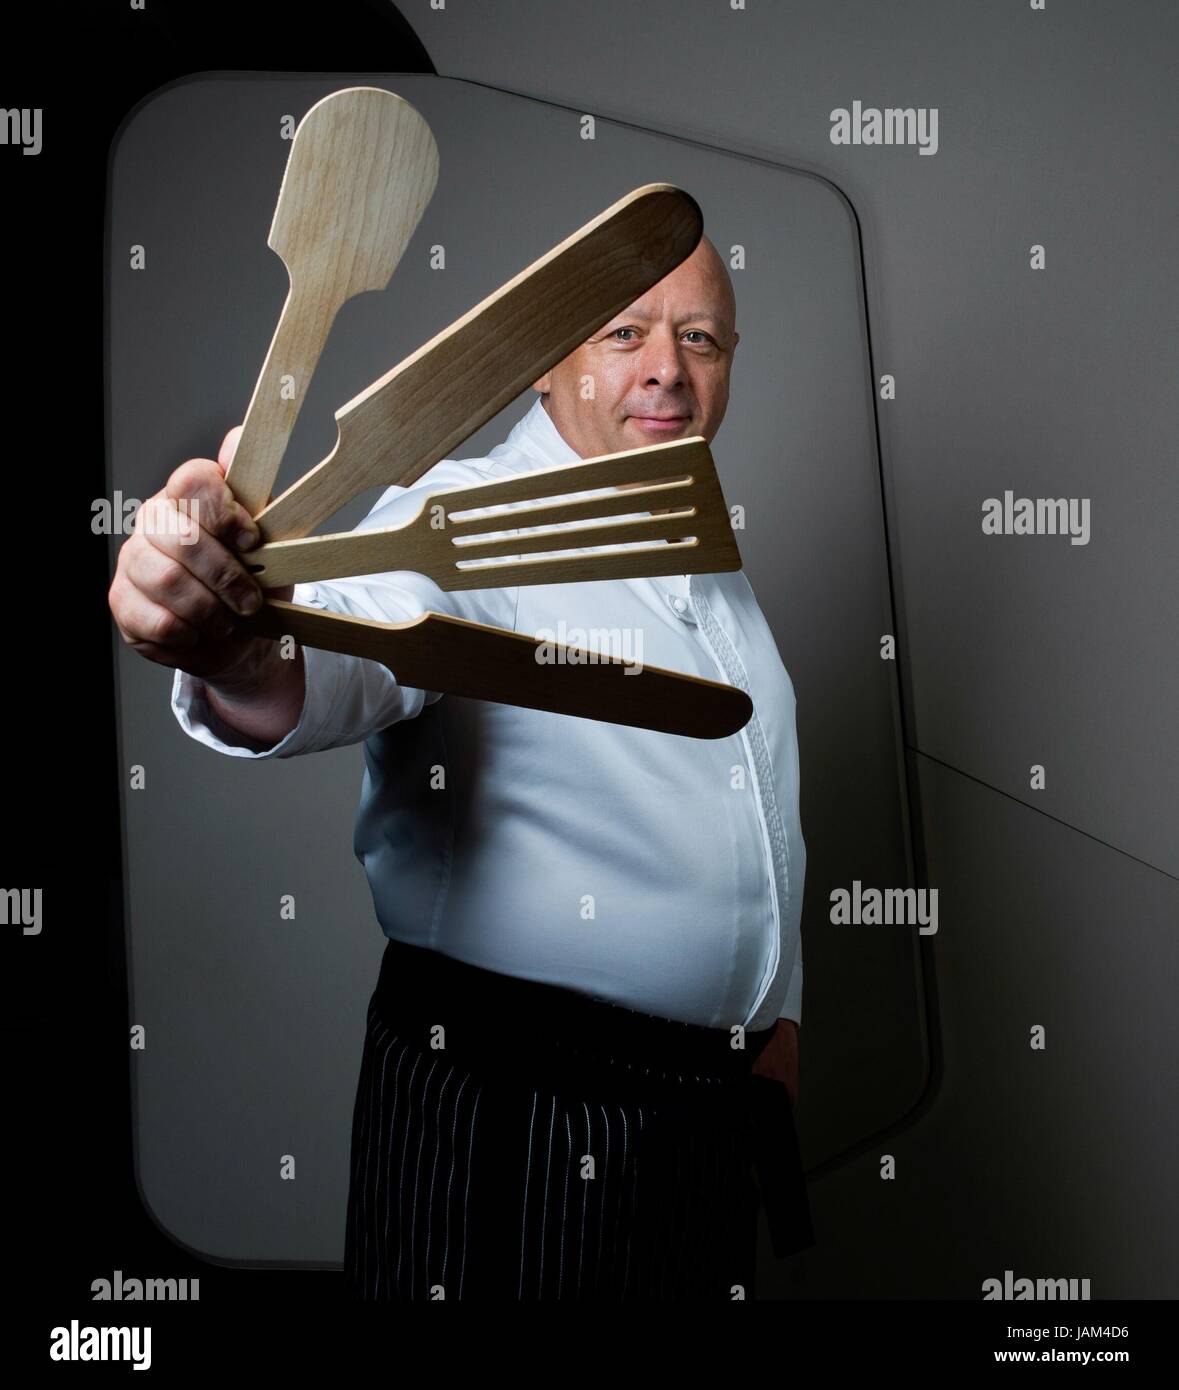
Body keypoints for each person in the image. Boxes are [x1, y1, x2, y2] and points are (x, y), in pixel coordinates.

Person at [107, 235, 814, 1300]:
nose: (667, 366)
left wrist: (774, 1021)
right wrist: (233, 645)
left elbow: (753, 804)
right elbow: (345, 651)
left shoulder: (697, 548)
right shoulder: (458, 523)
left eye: (699, 336)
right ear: (539, 359)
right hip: (514, 1115)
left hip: (698, 1125)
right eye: (623, 332)